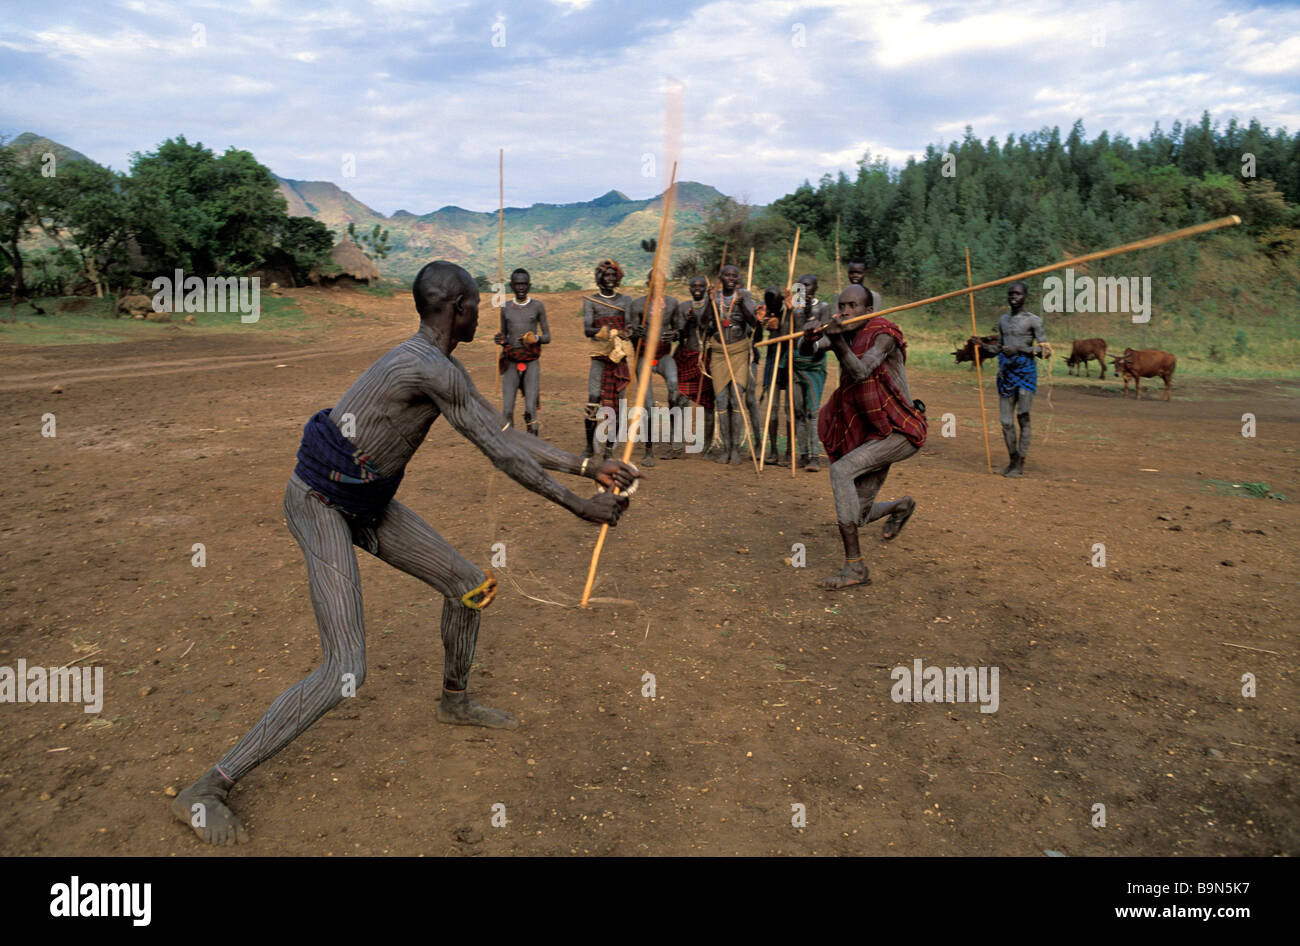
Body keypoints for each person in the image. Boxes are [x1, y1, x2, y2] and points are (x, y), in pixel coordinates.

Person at [172, 261, 640, 845]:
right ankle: (209, 786)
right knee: (345, 668)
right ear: (457, 309)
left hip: (363, 498)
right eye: (474, 304)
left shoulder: (437, 365)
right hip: (321, 502)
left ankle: (455, 700)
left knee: (470, 585)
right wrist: (577, 504)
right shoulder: (428, 368)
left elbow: (500, 433)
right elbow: (499, 453)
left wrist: (587, 465)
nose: (480, 314)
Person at [808, 285, 926, 590]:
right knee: (857, 514)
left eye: (853, 306)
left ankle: (855, 568)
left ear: (868, 311)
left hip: (899, 429)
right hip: (875, 431)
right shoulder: (846, 335)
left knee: (841, 471)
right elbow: (811, 351)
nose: (845, 311)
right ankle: (901, 506)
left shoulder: (884, 335)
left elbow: (861, 371)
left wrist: (835, 340)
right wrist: (807, 337)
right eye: (842, 306)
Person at [703, 264, 760, 465]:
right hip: (719, 354)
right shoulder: (714, 296)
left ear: (738, 279)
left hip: (738, 352)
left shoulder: (744, 295)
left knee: (736, 399)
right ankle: (725, 449)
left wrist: (743, 305)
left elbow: (754, 322)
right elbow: (703, 323)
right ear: (720, 277)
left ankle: (735, 449)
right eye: (726, 275)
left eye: (733, 276)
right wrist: (709, 303)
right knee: (721, 401)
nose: (729, 278)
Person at [628, 269, 683, 463]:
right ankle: (648, 450)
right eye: (653, 282)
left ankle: (675, 441)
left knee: (674, 389)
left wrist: (675, 335)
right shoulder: (637, 305)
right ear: (648, 283)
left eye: (661, 282)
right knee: (648, 403)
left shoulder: (672, 304)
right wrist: (637, 333)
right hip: (644, 357)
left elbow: (678, 329)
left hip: (663, 355)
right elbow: (631, 334)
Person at [581, 259, 635, 460]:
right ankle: (588, 446)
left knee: (619, 403)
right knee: (593, 399)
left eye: (614, 275)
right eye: (607, 275)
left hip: (618, 357)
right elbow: (587, 329)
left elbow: (629, 326)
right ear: (599, 278)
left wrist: (627, 332)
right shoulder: (590, 301)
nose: (611, 279)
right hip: (599, 356)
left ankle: (610, 449)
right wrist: (604, 331)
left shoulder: (625, 300)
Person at [995, 282, 1047, 477]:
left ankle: (1020, 462)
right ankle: (1013, 459)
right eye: (1010, 294)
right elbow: (999, 347)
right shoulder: (1003, 321)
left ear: (1025, 296)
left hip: (1026, 374)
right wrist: (982, 345)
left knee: (1023, 417)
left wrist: (1020, 349)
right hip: (1005, 375)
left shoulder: (1033, 321)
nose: (1013, 297)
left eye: (1017, 294)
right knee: (1006, 421)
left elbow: (1045, 351)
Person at [495, 268, 550, 435]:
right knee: (507, 409)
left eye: (524, 284)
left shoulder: (537, 306)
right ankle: (510, 448)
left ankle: (533, 447)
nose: (521, 288)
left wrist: (536, 339)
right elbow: (503, 335)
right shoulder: (505, 307)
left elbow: (547, 336)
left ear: (529, 286)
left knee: (530, 408)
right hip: (511, 361)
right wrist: (500, 340)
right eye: (517, 284)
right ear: (511, 286)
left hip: (531, 361)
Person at [791, 274, 832, 471]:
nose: (804, 289)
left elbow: (824, 334)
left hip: (814, 365)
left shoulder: (823, 307)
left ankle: (815, 457)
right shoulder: (794, 307)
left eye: (808, 286)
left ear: (815, 288)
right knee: (798, 411)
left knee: (813, 411)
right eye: (801, 286)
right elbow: (787, 330)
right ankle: (803, 454)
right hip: (796, 363)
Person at [673, 276, 715, 456]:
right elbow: (679, 334)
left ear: (706, 288)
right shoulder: (682, 307)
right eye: (694, 286)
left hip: (706, 358)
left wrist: (709, 308)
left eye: (701, 286)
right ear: (689, 287)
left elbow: (713, 328)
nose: (697, 289)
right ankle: (677, 444)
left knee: (708, 403)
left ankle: (707, 445)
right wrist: (687, 323)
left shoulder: (712, 305)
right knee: (680, 399)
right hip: (687, 356)